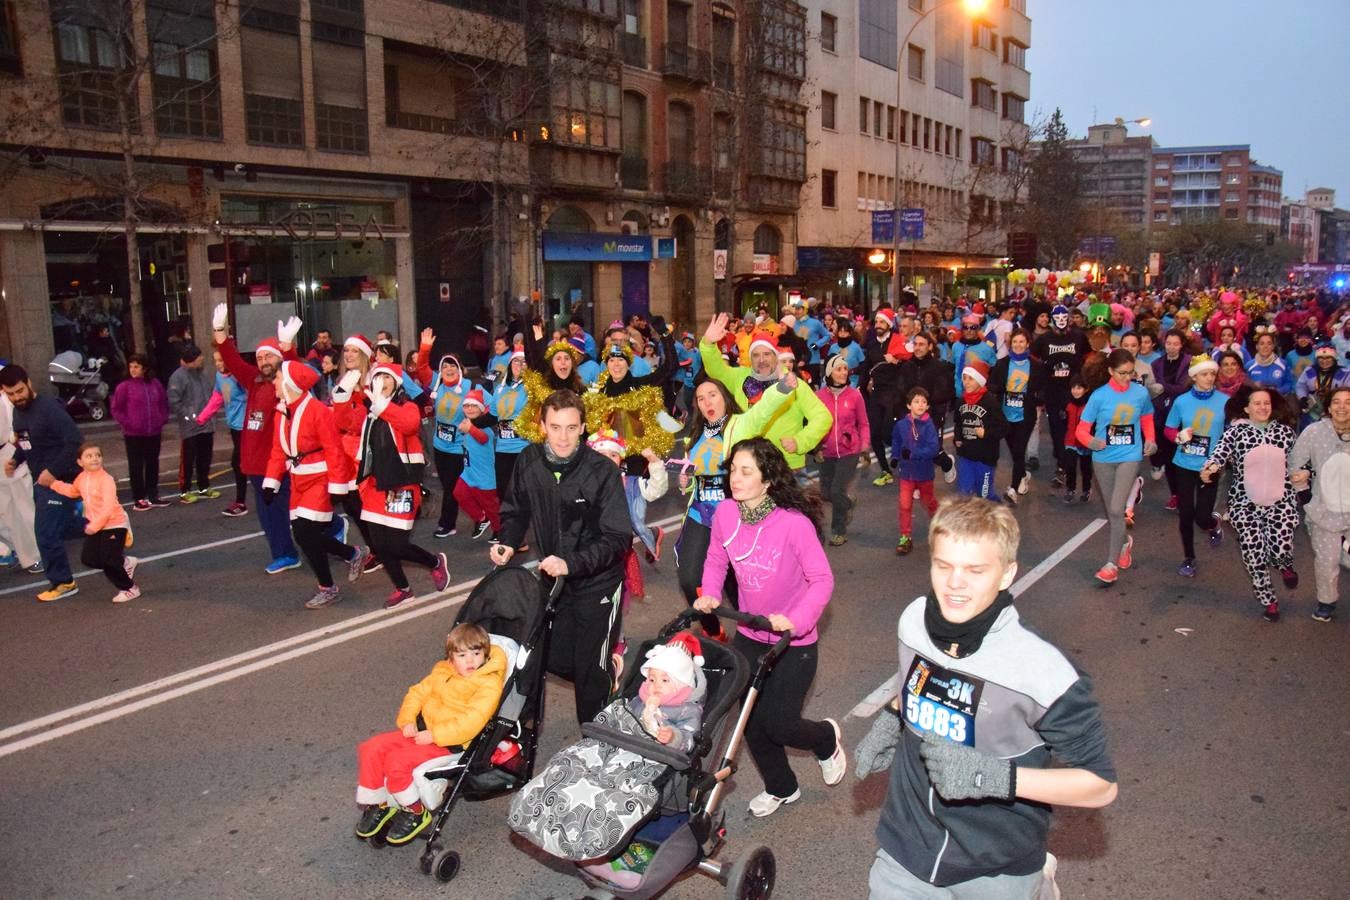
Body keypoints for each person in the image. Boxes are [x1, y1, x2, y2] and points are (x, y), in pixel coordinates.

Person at [854, 497, 1117, 899]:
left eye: (975, 570)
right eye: (943, 566)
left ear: (1006, 573)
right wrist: (893, 718)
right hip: (907, 847)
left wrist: (995, 778)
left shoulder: (1044, 671)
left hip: (996, 866)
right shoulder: (913, 621)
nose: (954, 583)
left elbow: (1100, 786)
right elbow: (914, 683)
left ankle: (1039, 882)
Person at [696, 437, 845, 818]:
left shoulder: (793, 525)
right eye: (733, 470)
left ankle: (825, 738)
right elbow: (716, 559)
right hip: (750, 634)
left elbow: (822, 580)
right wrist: (711, 593)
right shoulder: (726, 514)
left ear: (767, 480)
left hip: (794, 642)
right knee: (748, 720)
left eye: (746, 471)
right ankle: (782, 787)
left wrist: (795, 620)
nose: (735, 478)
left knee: (780, 723)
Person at [509, 632, 707, 874]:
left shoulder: (687, 710)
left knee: (609, 793)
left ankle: (591, 829)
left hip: (651, 758)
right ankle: (543, 811)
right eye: (652, 679)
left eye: (665, 681)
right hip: (617, 746)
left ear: (682, 685)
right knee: (571, 764)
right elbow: (619, 717)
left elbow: (688, 740)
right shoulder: (638, 700)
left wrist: (672, 737)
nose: (655, 686)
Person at [490, 389, 632, 724]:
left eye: (571, 427)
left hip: (598, 582)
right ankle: (604, 669)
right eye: (555, 427)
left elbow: (617, 539)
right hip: (553, 578)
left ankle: (595, 747)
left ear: (583, 427)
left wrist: (573, 563)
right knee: (544, 654)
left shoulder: (602, 472)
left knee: (587, 675)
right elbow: (515, 509)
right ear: (542, 426)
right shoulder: (528, 461)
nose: (563, 437)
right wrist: (507, 541)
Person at [675, 314, 798, 638]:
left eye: (712, 395)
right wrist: (687, 480)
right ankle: (714, 630)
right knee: (689, 578)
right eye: (701, 399)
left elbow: (761, 411)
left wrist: (782, 389)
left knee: (738, 584)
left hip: (733, 516)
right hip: (701, 514)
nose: (707, 402)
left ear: (724, 397)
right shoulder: (697, 432)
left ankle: (760, 635)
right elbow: (694, 470)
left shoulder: (738, 425)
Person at [355, 623, 507, 845]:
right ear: (451, 657)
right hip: (425, 732)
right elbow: (416, 693)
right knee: (371, 748)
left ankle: (416, 811)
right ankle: (380, 803)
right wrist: (407, 719)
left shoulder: (488, 683)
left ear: (485, 654)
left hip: (450, 743)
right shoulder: (442, 672)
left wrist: (435, 735)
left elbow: (471, 723)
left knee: (397, 762)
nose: (471, 660)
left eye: (476, 653)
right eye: (462, 655)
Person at [261, 361, 363, 610]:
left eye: (276, 378)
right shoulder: (281, 411)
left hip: (320, 477)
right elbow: (278, 449)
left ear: (289, 383)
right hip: (297, 478)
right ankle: (352, 554)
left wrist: (338, 486)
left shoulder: (317, 410)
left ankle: (328, 588)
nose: (273, 382)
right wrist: (271, 481)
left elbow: (334, 450)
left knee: (306, 532)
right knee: (304, 535)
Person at [212, 305, 305, 573]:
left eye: (269, 357)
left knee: (294, 510)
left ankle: (331, 527)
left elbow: (297, 370)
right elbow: (231, 360)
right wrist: (221, 331)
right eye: (260, 357)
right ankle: (285, 554)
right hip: (254, 464)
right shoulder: (253, 381)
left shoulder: (286, 384)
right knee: (270, 515)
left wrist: (287, 347)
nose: (264, 361)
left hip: (278, 463)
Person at [354, 362, 449, 609]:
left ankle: (434, 563)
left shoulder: (406, 406)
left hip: (402, 484)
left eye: (386, 378)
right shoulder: (371, 413)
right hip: (375, 485)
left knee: (396, 544)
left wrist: (382, 406)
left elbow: (409, 425)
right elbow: (344, 421)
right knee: (380, 545)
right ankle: (403, 589)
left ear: (396, 382)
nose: (381, 382)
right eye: (377, 377)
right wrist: (344, 392)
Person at [1200, 386, 1299, 622]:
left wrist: (1304, 473)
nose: (1263, 407)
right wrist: (1210, 468)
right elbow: (1218, 455)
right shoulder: (1236, 433)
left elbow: (1300, 461)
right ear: (1247, 408)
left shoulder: (1285, 433)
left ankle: (1284, 563)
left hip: (1281, 502)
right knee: (1253, 555)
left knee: (1280, 547)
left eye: (1266, 403)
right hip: (1245, 504)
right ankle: (1269, 601)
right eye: (1257, 403)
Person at [698, 318, 832, 475]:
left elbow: (823, 417)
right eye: (756, 355)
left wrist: (800, 441)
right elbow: (716, 370)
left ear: (776, 356)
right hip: (748, 463)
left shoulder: (792, 383)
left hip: (786, 466)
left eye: (767, 354)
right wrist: (708, 344)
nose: (761, 360)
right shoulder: (740, 377)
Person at [1, 364, 84, 601]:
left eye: (19, 391)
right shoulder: (19, 412)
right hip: (43, 482)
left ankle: (64, 583)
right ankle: (114, 541)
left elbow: (74, 441)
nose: (16, 397)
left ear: (29, 383)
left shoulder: (49, 409)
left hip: (62, 479)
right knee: (74, 528)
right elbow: (26, 442)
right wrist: (16, 460)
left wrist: (53, 471)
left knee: (46, 534)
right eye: (10, 394)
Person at [1078, 348, 1157, 586]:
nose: (1127, 378)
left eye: (1131, 373)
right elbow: (1081, 429)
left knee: (1115, 508)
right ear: (1111, 371)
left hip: (1130, 455)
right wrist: (1090, 441)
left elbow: (1146, 417)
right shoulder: (1099, 396)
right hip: (1102, 458)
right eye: (1122, 373)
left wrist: (1150, 439)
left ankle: (1111, 565)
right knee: (1113, 511)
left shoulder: (1140, 393)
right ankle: (1124, 543)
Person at [38, 443, 141, 603]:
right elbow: (73, 492)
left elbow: (107, 508)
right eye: (89, 456)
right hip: (97, 525)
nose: (94, 459)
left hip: (114, 524)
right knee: (89, 559)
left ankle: (130, 588)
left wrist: (94, 527)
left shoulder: (106, 480)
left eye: (97, 455)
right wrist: (53, 484)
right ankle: (125, 562)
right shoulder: (81, 478)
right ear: (80, 462)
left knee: (109, 562)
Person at [1288, 386, 1350, 623]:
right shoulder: (1314, 432)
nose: (1342, 407)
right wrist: (1305, 497)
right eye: (1337, 402)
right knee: (1327, 560)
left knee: (1343, 556)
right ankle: (1327, 601)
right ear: (1329, 406)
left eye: (1348, 402)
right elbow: (1295, 465)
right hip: (1323, 510)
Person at [1164, 357, 1229, 579]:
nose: (1209, 378)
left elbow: (1232, 432)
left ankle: (1212, 525)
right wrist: (1178, 437)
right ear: (1194, 377)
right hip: (1183, 463)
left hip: (1210, 465)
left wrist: (1226, 457)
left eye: (1212, 374)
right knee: (1185, 512)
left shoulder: (1224, 401)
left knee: (1202, 516)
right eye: (1204, 374)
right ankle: (1189, 557)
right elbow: (1169, 429)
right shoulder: (1181, 401)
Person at [816, 352, 869, 546]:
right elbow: (812, 424)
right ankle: (848, 503)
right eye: (839, 369)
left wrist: (864, 448)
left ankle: (838, 531)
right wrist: (815, 449)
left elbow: (863, 423)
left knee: (837, 490)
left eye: (845, 368)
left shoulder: (855, 396)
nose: (843, 372)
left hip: (850, 450)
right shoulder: (819, 397)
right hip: (827, 451)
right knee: (827, 493)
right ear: (830, 372)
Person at [109, 353, 170, 511]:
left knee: (152, 463)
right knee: (136, 465)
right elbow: (116, 408)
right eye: (131, 366)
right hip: (134, 433)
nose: (133, 370)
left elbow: (163, 403)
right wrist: (128, 424)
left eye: (136, 366)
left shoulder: (155, 384)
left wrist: (161, 419)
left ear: (145, 368)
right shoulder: (125, 386)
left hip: (154, 431)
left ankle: (153, 494)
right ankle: (139, 497)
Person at [990, 330, 1043, 505]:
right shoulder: (1002, 364)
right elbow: (994, 387)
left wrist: (1036, 401)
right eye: (1015, 342)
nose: (1018, 345)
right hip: (1006, 415)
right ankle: (1022, 475)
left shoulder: (1035, 365)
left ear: (1028, 343)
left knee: (1019, 451)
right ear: (1010, 344)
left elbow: (1041, 389)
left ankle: (1012, 489)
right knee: (1015, 452)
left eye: (1022, 342)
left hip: (1025, 416)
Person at [428, 352, 477, 539]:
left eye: (452, 365)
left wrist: (473, 425)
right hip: (440, 445)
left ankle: (451, 523)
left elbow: (488, 404)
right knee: (449, 486)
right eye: (445, 366)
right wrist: (425, 348)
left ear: (460, 368)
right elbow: (420, 370)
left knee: (455, 487)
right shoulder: (438, 384)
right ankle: (452, 522)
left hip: (459, 446)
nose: (448, 369)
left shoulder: (468, 386)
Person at [890, 387, 940, 556]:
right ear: (908, 405)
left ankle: (940, 525)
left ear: (927, 407)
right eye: (916, 401)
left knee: (928, 502)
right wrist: (896, 457)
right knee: (904, 504)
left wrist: (914, 454)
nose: (920, 405)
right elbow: (896, 442)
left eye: (924, 402)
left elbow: (933, 449)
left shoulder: (929, 426)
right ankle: (905, 537)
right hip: (906, 474)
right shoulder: (901, 425)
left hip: (924, 473)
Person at [167, 344, 219, 504]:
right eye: (199, 357)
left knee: (205, 457)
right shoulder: (178, 377)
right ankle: (185, 490)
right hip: (191, 427)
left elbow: (211, 394)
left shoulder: (202, 374)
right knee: (188, 459)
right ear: (191, 360)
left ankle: (204, 486)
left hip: (207, 424)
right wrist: (191, 417)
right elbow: (175, 402)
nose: (202, 359)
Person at [952, 358, 1006, 500]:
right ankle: (969, 521)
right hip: (966, 455)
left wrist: (986, 433)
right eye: (964, 378)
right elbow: (958, 422)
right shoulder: (960, 401)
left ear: (980, 380)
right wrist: (957, 438)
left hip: (985, 457)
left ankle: (998, 516)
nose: (967, 382)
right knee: (964, 492)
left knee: (985, 494)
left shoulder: (990, 402)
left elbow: (1004, 428)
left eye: (971, 378)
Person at [450, 390, 500, 541]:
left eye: (474, 406)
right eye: (467, 406)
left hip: (485, 477)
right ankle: (481, 518)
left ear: (482, 409)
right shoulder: (466, 425)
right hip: (468, 472)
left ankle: (499, 530)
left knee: (492, 507)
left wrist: (470, 429)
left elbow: (483, 438)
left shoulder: (484, 428)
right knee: (458, 493)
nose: (470, 409)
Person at [0, 388, 40, 574]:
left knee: (24, 509)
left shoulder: (7, 399)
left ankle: (35, 556)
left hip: (9, 454)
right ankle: (13, 549)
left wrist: (23, 454)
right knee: (5, 511)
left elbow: (21, 428)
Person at [1150, 330, 1193, 507]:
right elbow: (1152, 388)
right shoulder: (1156, 363)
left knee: (1183, 456)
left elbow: (1183, 388)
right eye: (1169, 343)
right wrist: (1159, 389)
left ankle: (1186, 493)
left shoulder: (1189, 362)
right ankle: (1175, 494)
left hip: (1183, 415)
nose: (1172, 347)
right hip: (1161, 415)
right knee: (1168, 457)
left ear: (1181, 344)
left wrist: (1162, 387)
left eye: (1176, 343)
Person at [1061, 376, 1094, 503]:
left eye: (1079, 388)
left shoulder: (1090, 404)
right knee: (1070, 466)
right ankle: (1070, 489)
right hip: (1070, 440)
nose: (1075, 391)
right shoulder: (1067, 403)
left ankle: (1086, 489)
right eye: (1073, 388)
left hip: (1085, 442)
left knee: (1085, 468)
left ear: (1085, 389)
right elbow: (1063, 421)